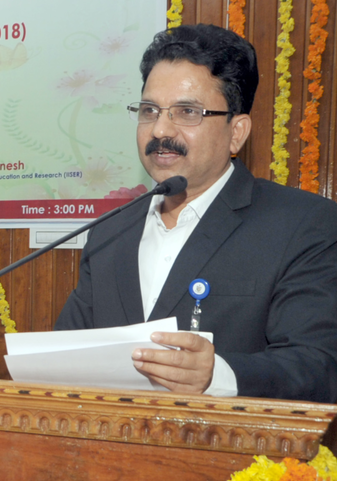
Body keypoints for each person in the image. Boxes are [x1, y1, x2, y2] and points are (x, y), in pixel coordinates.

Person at [55, 24, 337, 404]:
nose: (159, 130)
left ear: (236, 132)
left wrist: (217, 374)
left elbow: (318, 365)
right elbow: (66, 356)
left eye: (186, 112)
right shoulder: (111, 231)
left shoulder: (304, 225)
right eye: (149, 110)